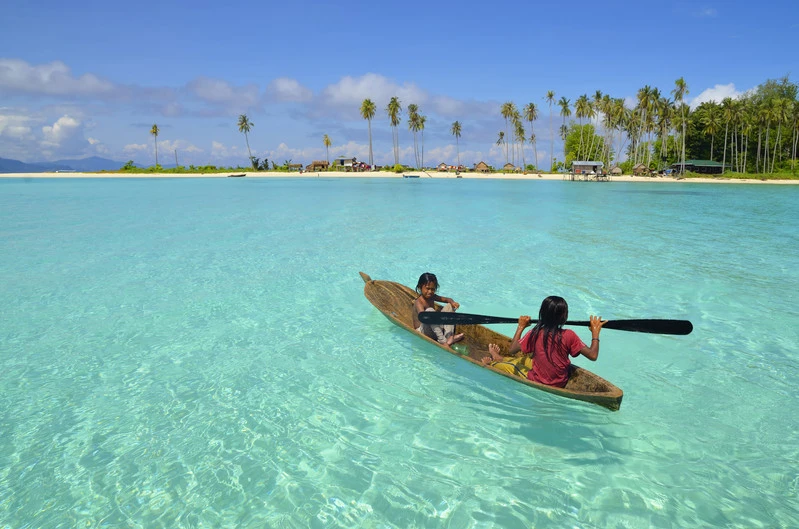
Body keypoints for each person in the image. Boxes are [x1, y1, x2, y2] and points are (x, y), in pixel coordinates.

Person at [481, 296, 606, 387]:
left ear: (542, 314)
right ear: (564, 317)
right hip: (561, 381)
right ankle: (500, 357)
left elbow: (512, 349)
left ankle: (494, 362)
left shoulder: (535, 333)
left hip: (540, 380)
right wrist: (595, 333)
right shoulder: (570, 335)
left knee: (511, 366)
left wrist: (521, 327)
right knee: (522, 360)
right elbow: (593, 355)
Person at [412, 272, 464, 347]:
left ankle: (448, 336)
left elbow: (447, 299)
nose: (430, 292)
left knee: (449, 306)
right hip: (424, 331)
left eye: (432, 289)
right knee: (430, 311)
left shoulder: (432, 296)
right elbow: (423, 317)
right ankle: (443, 341)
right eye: (427, 288)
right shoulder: (419, 302)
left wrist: (453, 303)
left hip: (435, 328)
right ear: (420, 287)